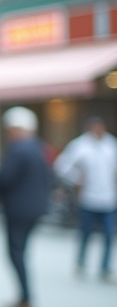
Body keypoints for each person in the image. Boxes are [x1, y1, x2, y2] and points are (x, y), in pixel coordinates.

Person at [0, 107, 51, 307]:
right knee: (21, 251)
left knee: (16, 251)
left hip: (18, 208)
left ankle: (25, 297)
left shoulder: (18, 150)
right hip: (36, 207)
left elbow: (4, 179)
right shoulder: (39, 147)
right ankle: (25, 296)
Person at [54, 116, 117, 281]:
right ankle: (81, 263)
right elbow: (62, 166)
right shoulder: (80, 146)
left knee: (109, 234)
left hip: (108, 198)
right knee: (85, 233)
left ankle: (105, 267)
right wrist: (76, 180)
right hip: (88, 198)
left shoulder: (111, 145)